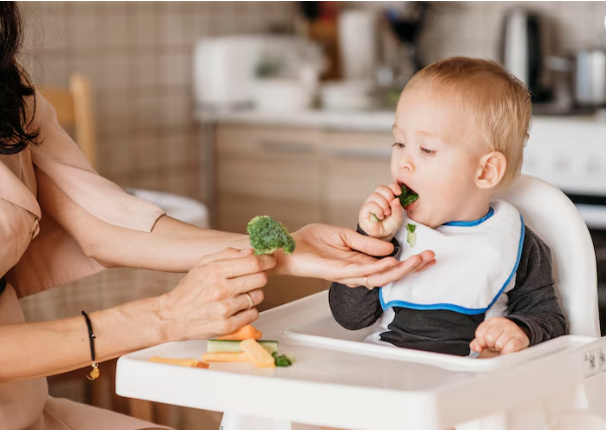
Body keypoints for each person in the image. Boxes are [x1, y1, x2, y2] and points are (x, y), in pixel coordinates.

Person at [0, 4, 436, 430]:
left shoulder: (7, 80)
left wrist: (281, 248)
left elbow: (100, 221)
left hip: (29, 409)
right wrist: (164, 316)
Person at [329, 57, 567, 358]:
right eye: (399, 143)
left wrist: (521, 330)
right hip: (387, 372)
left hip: (472, 387)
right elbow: (348, 318)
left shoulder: (516, 242)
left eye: (427, 149)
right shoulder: (390, 235)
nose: (404, 161)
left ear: (485, 171)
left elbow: (550, 319)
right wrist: (370, 242)